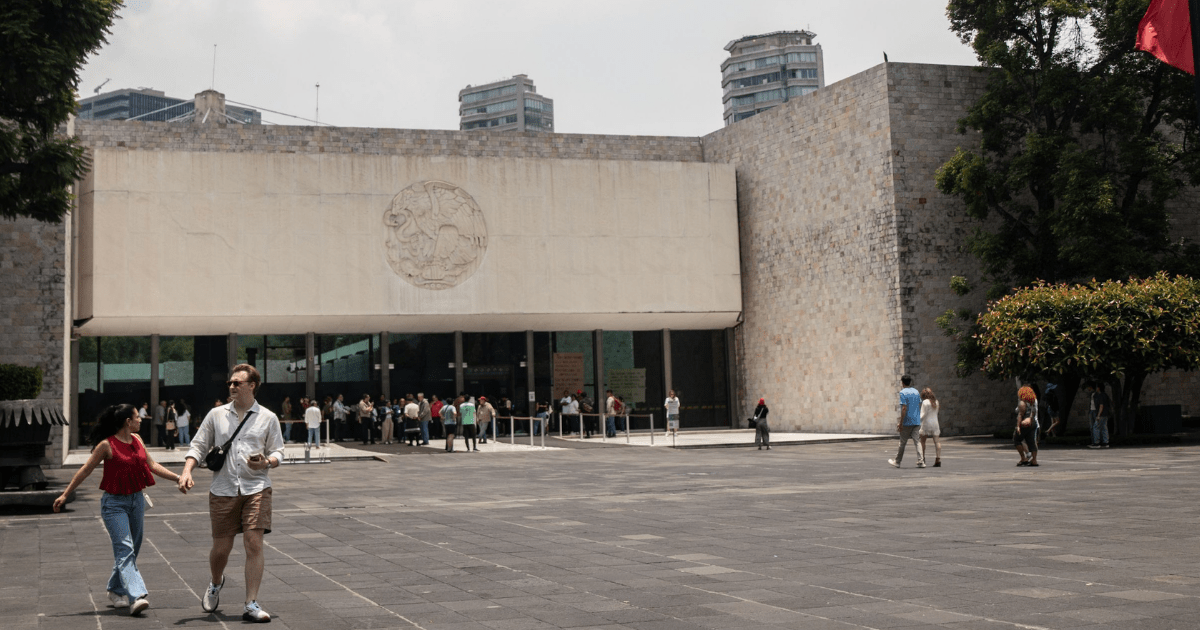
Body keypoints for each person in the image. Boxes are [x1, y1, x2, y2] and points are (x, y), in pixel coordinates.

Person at [178, 364, 284, 623]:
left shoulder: (268, 417)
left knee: (253, 543)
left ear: (252, 385)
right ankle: (216, 581)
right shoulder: (216, 415)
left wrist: (267, 462)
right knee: (221, 549)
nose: (232, 386)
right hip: (223, 489)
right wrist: (186, 471)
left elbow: (279, 451)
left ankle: (251, 603)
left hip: (257, 487)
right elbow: (199, 445)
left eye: (237, 383)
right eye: (230, 383)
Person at [53, 403, 181, 617]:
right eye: (137, 417)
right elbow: (85, 470)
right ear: (127, 422)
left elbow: (152, 465)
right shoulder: (107, 445)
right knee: (125, 548)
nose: (141, 419)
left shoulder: (138, 440)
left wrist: (179, 478)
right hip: (114, 504)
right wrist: (65, 494)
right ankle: (137, 596)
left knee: (133, 547)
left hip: (137, 500)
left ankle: (115, 589)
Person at [888, 375, 924, 468]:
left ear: (902, 382)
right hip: (916, 420)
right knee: (917, 441)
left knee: (902, 442)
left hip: (907, 421)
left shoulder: (903, 392)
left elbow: (904, 408)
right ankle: (921, 461)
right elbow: (918, 404)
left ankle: (897, 461)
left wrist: (901, 422)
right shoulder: (916, 392)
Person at [918, 388, 942, 467]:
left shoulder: (925, 402)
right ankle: (938, 459)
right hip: (935, 423)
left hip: (926, 423)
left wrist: (917, 421)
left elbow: (922, 414)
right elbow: (937, 413)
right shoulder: (936, 402)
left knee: (922, 442)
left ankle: (922, 458)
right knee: (937, 442)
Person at [1015, 398, 1039, 466]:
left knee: (1017, 439)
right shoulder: (1034, 402)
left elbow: (1020, 413)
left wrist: (1018, 426)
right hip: (1034, 423)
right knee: (1032, 442)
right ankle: (1034, 460)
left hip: (1025, 423)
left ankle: (1023, 458)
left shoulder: (1023, 402)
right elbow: (1034, 412)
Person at [1088, 381, 1111, 448]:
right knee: (1104, 427)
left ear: (1099, 388)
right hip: (1105, 414)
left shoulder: (1100, 395)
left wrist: (1098, 415)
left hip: (1101, 414)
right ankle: (1105, 442)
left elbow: (1101, 406)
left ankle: (1096, 443)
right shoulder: (1105, 395)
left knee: (1096, 427)